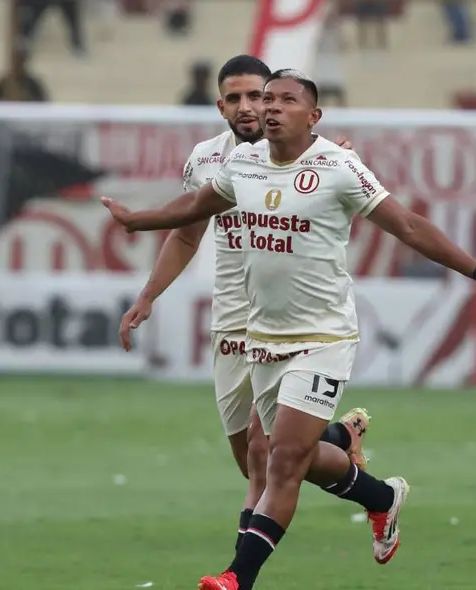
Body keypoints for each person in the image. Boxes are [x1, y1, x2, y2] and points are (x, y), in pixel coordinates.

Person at [103, 69, 476, 590]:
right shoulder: (239, 162)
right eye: (265, 99)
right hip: (259, 339)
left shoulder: (338, 167)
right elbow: (197, 209)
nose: (268, 107)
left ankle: (236, 579)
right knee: (270, 458)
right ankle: (374, 486)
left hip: (323, 339)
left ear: (313, 116)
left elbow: (407, 226)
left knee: (283, 459)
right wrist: (139, 220)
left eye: (283, 100)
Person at [122, 54, 373, 556]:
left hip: (288, 323)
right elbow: (188, 235)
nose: (248, 107)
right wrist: (149, 294)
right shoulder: (208, 160)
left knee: (268, 457)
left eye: (257, 95)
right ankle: (354, 460)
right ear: (220, 106)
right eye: (234, 98)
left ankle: (238, 575)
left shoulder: (317, 157)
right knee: (253, 462)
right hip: (230, 321)